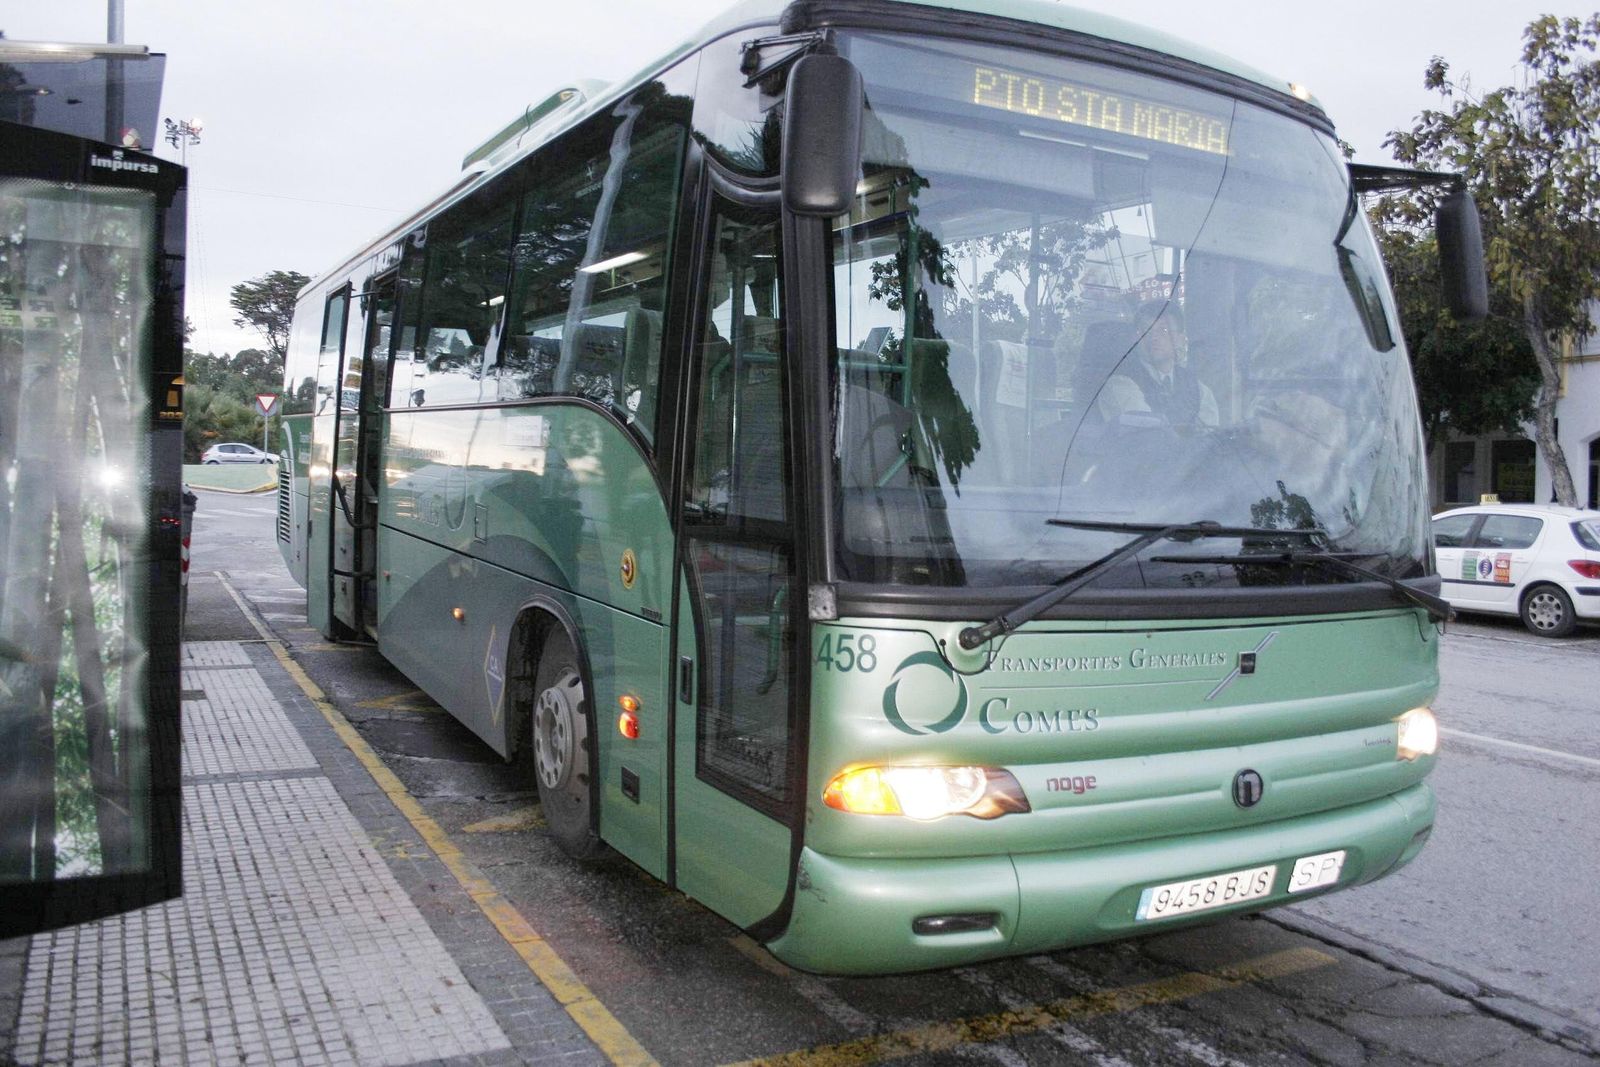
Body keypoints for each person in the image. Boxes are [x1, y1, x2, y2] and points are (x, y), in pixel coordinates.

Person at [1097, 303, 1218, 429]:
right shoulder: (1120, 383)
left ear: (1181, 339)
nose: (1153, 337)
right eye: (1145, 331)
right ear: (1135, 339)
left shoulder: (1199, 390)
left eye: (1163, 330)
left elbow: (1210, 441)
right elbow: (1148, 438)